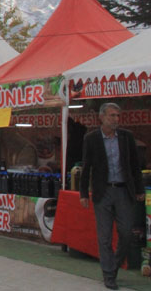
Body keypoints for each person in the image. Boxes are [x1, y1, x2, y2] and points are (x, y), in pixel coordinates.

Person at [79, 103, 143, 290]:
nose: (115, 119)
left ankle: (113, 265)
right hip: (103, 191)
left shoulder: (126, 137)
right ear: (102, 117)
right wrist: (83, 193)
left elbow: (134, 165)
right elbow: (86, 167)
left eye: (117, 116)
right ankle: (109, 275)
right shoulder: (91, 139)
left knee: (126, 232)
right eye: (112, 116)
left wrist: (138, 189)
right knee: (104, 236)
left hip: (123, 190)